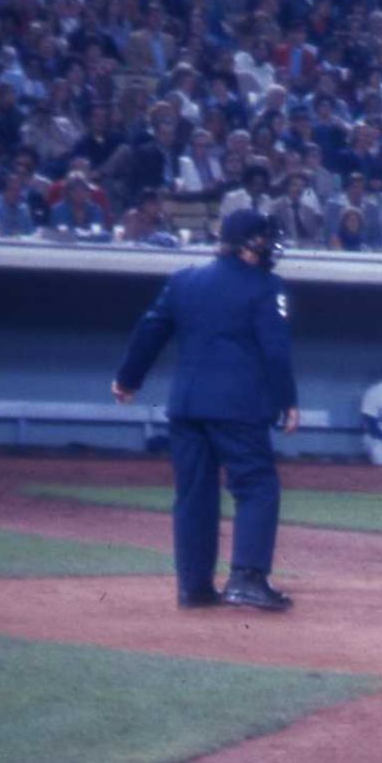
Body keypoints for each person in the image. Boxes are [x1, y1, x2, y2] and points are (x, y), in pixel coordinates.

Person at [112, 211, 298, 611]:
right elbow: (276, 350)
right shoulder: (266, 285)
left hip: (187, 406)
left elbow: (150, 330)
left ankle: (194, 587)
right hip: (239, 406)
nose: (270, 245)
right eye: (265, 238)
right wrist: (288, 400)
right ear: (250, 244)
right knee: (257, 486)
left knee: (194, 495)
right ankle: (247, 579)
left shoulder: (184, 281)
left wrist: (128, 378)